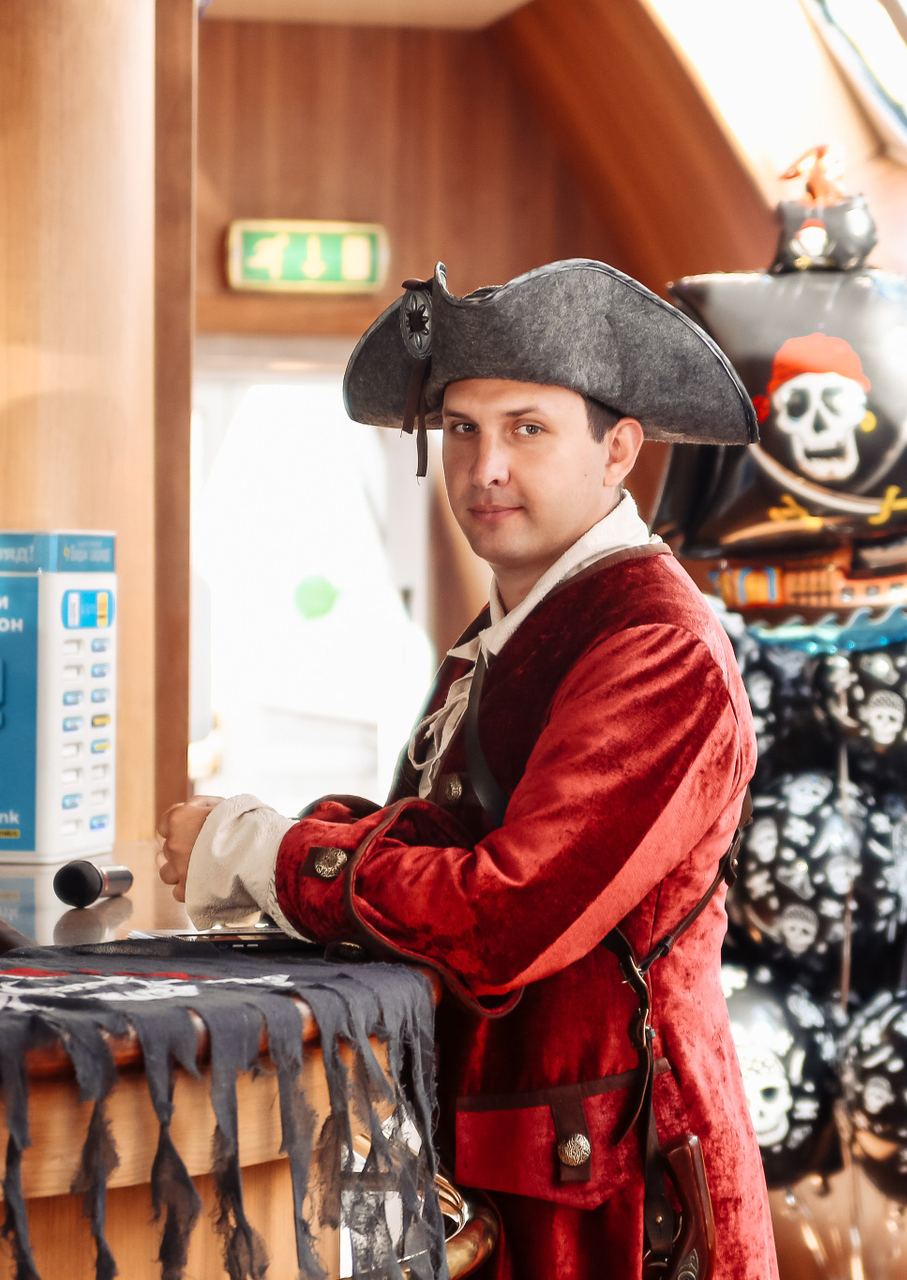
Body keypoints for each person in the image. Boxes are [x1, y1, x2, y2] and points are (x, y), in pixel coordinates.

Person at [159, 260, 777, 1280]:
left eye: (527, 429)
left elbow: (505, 916)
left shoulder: (656, 645)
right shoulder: (518, 624)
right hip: (520, 1166)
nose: (485, 467)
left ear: (619, 450)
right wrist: (283, 838)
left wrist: (272, 856)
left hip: (618, 1201)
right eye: (461, 429)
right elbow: (442, 839)